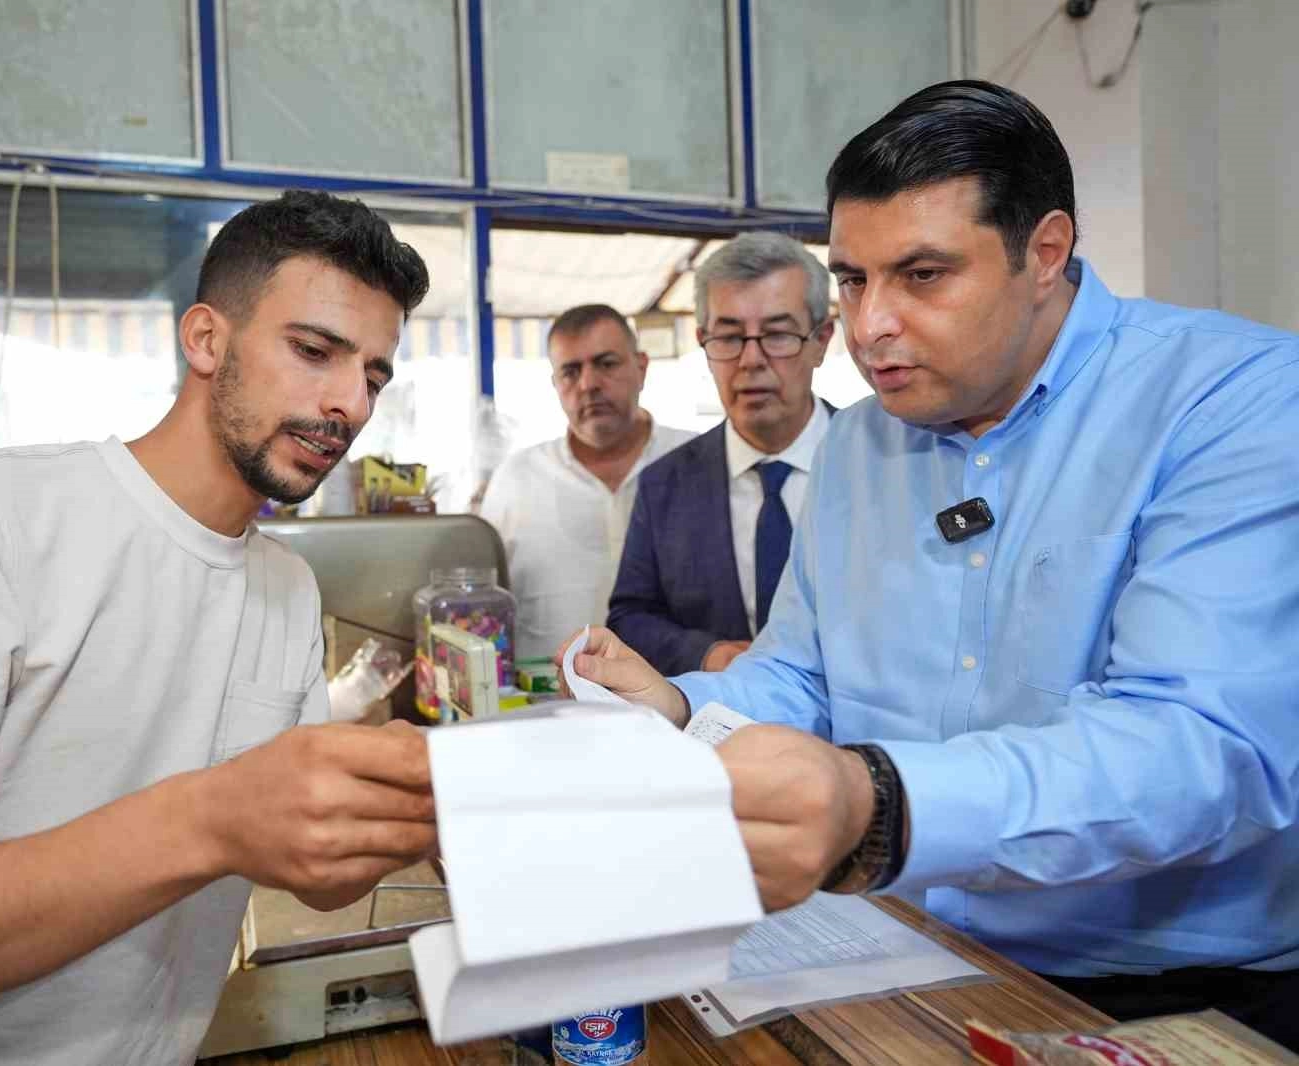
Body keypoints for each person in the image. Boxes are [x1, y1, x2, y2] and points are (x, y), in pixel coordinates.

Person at [565, 81, 1299, 1049]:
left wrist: (880, 804)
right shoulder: (857, 445)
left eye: (921, 275)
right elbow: (802, 674)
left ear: (1044, 253)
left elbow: (1198, 748)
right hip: (902, 950)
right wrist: (680, 711)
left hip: (1164, 992)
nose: (869, 326)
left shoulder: (1230, 402)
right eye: (853, 280)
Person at [0, 190, 438, 1065]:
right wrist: (214, 817)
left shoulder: (286, 588)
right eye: (314, 351)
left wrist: (417, 812)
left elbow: (313, 876)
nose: (350, 404)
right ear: (206, 339)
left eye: (374, 376)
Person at [607, 233, 837, 675]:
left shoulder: (887, 467)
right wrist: (709, 655)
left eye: (777, 334)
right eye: (729, 337)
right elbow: (630, 619)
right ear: (703, 342)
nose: (750, 360)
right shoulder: (664, 486)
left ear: (821, 339)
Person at [480, 305, 690, 659]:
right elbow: (483, 610)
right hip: (545, 694)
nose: (589, 384)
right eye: (570, 371)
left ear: (642, 368)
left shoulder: (695, 463)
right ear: (555, 384)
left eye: (607, 364)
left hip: (681, 691)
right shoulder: (516, 480)